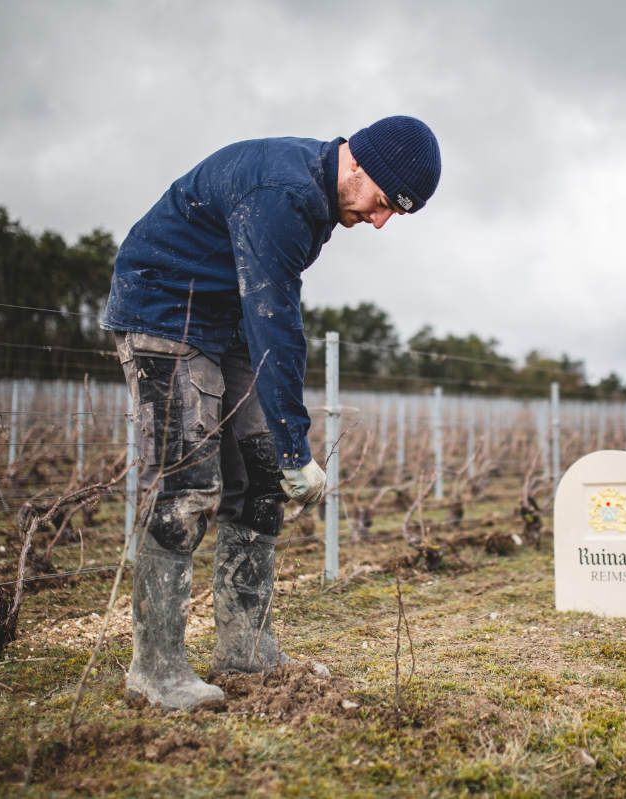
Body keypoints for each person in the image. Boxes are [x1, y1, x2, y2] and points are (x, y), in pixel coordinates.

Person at [101, 116, 441, 710]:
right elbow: (274, 321)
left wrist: (281, 454)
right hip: (164, 315)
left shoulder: (316, 195)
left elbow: (266, 317)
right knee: (189, 489)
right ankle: (155, 670)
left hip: (222, 323)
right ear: (357, 162)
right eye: (384, 203)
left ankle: (246, 650)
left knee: (261, 482)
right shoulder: (283, 195)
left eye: (396, 214)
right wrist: (296, 448)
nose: (382, 221)